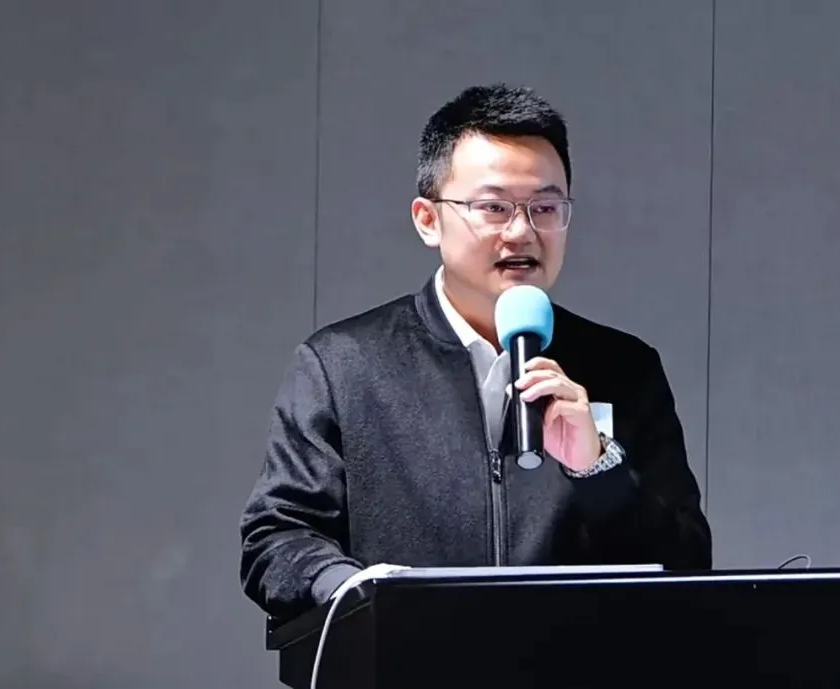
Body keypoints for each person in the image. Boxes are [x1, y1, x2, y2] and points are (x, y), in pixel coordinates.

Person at [239, 83, 712, 620]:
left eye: (545, 207)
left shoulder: (624, 367)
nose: (522, 232)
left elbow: (688, 561)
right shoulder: (344, 365)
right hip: (404, 651)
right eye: (493, 207)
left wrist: (599, 468)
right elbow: (277, 537)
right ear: (428, 219)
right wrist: (356, 593)